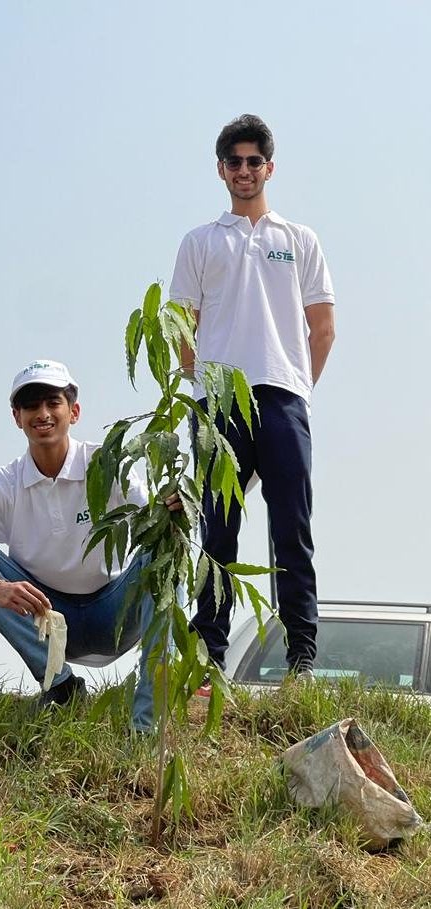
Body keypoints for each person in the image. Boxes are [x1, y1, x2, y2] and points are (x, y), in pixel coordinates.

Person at [169, 114, 335, 685]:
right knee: (218, 525)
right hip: (219, 406)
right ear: (221, 169)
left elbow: (324, 328)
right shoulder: (200, 242)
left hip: (285, 398)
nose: (244, 171)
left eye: (254, 161)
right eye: (234, 162)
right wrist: (204, 384)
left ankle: (302, 657)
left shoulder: (299, 240)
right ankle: (209, 653)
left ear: (270, 166)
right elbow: (180, 329)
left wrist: (297, 386)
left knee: (292, 526)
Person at [0, 359, 161, 731]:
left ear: (73, 411)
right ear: (17, 417)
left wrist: (172, 508)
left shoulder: (106, 465)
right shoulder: (6, 483)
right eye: (31, 405)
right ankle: (61, 688)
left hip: (114, 612)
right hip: (47, 620)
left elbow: (154, 525)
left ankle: (146, 724)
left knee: (163, 548)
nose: (42, 413)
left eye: (52, 402)